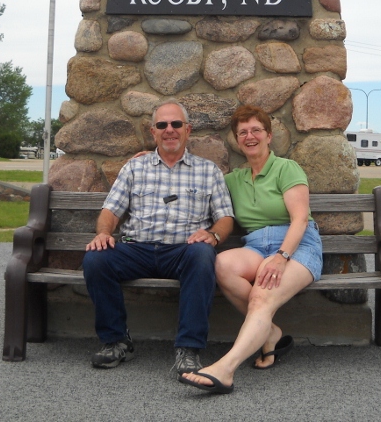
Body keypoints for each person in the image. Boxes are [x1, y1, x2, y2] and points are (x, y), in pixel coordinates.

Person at [83, 99, 234, 373]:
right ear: (153, 132)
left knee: (203, 256)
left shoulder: (208, 171)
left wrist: (213, 235)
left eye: (176, 124)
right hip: (136, 249)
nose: (169, 130)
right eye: (162, 125)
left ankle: (188, 349)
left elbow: (225, 217)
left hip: (183, 250)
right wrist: (104, 232)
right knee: (96, 259)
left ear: (187, 130)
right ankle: (116, 341)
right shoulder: (134, 168)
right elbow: (110, 210)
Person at [179, 104, 322, 394]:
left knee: (261, 295)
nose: (250, 136)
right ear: (237, 140)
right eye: (243, 132)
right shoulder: (234, 180)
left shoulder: (286, 168)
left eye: (256, 130)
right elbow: (194, 180)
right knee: (221, 265)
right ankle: (269, 333)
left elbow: (300, 220)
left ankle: (225, 369)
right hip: (257, 245)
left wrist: (282, 258)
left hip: (297, 245)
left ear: (268, 136)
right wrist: (147, 157)